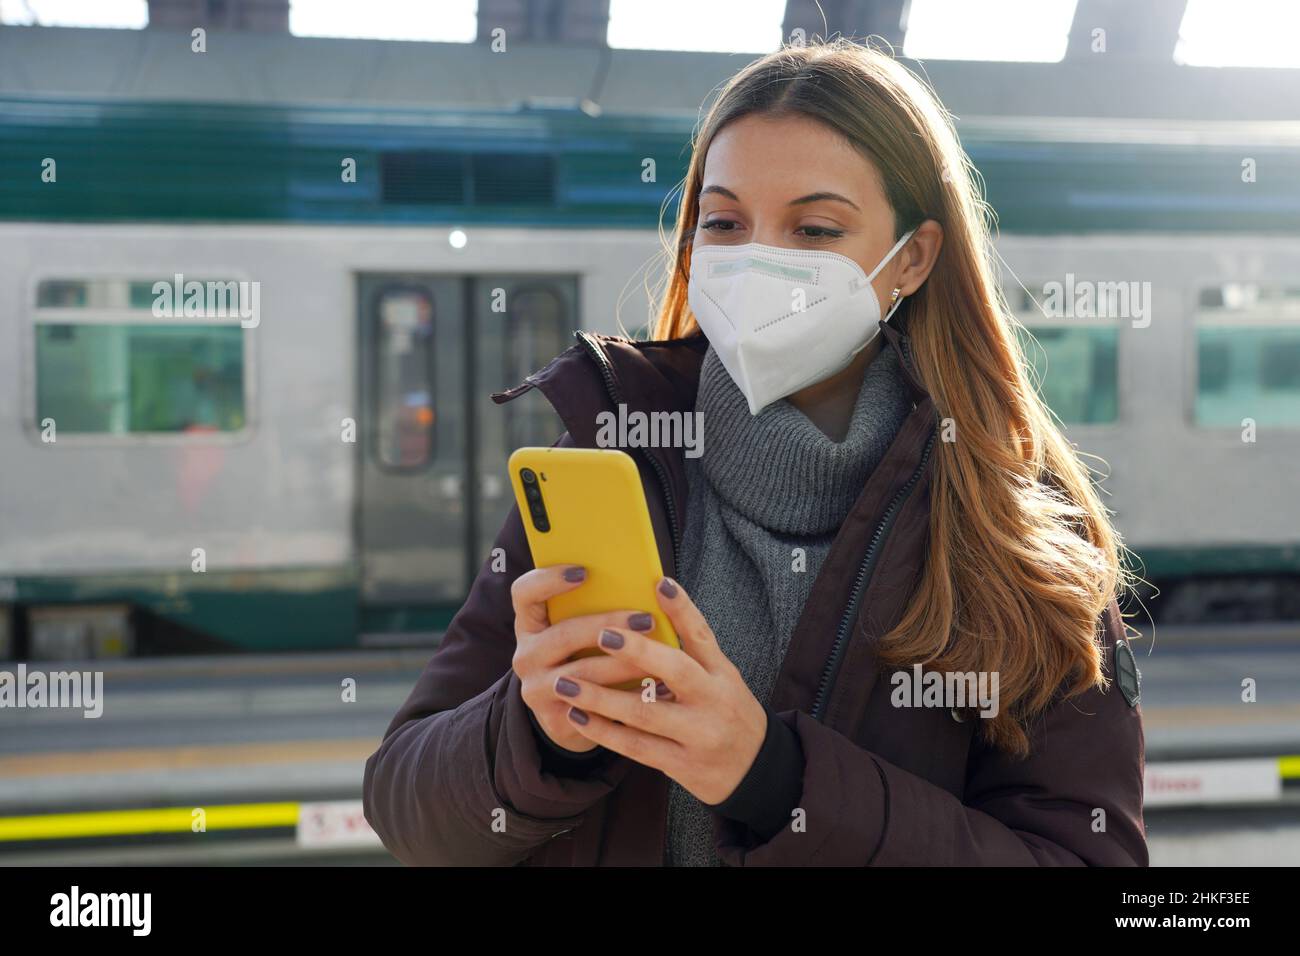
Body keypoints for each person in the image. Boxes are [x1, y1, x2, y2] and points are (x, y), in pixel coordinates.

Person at [363, 38, 1148, 867]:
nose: (754, 261)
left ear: (911, 259)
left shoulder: (1016, 530)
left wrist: (775, 784)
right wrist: (536, 737)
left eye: (813, 228)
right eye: (725, 222)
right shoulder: (614, 454)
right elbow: (404, 802)